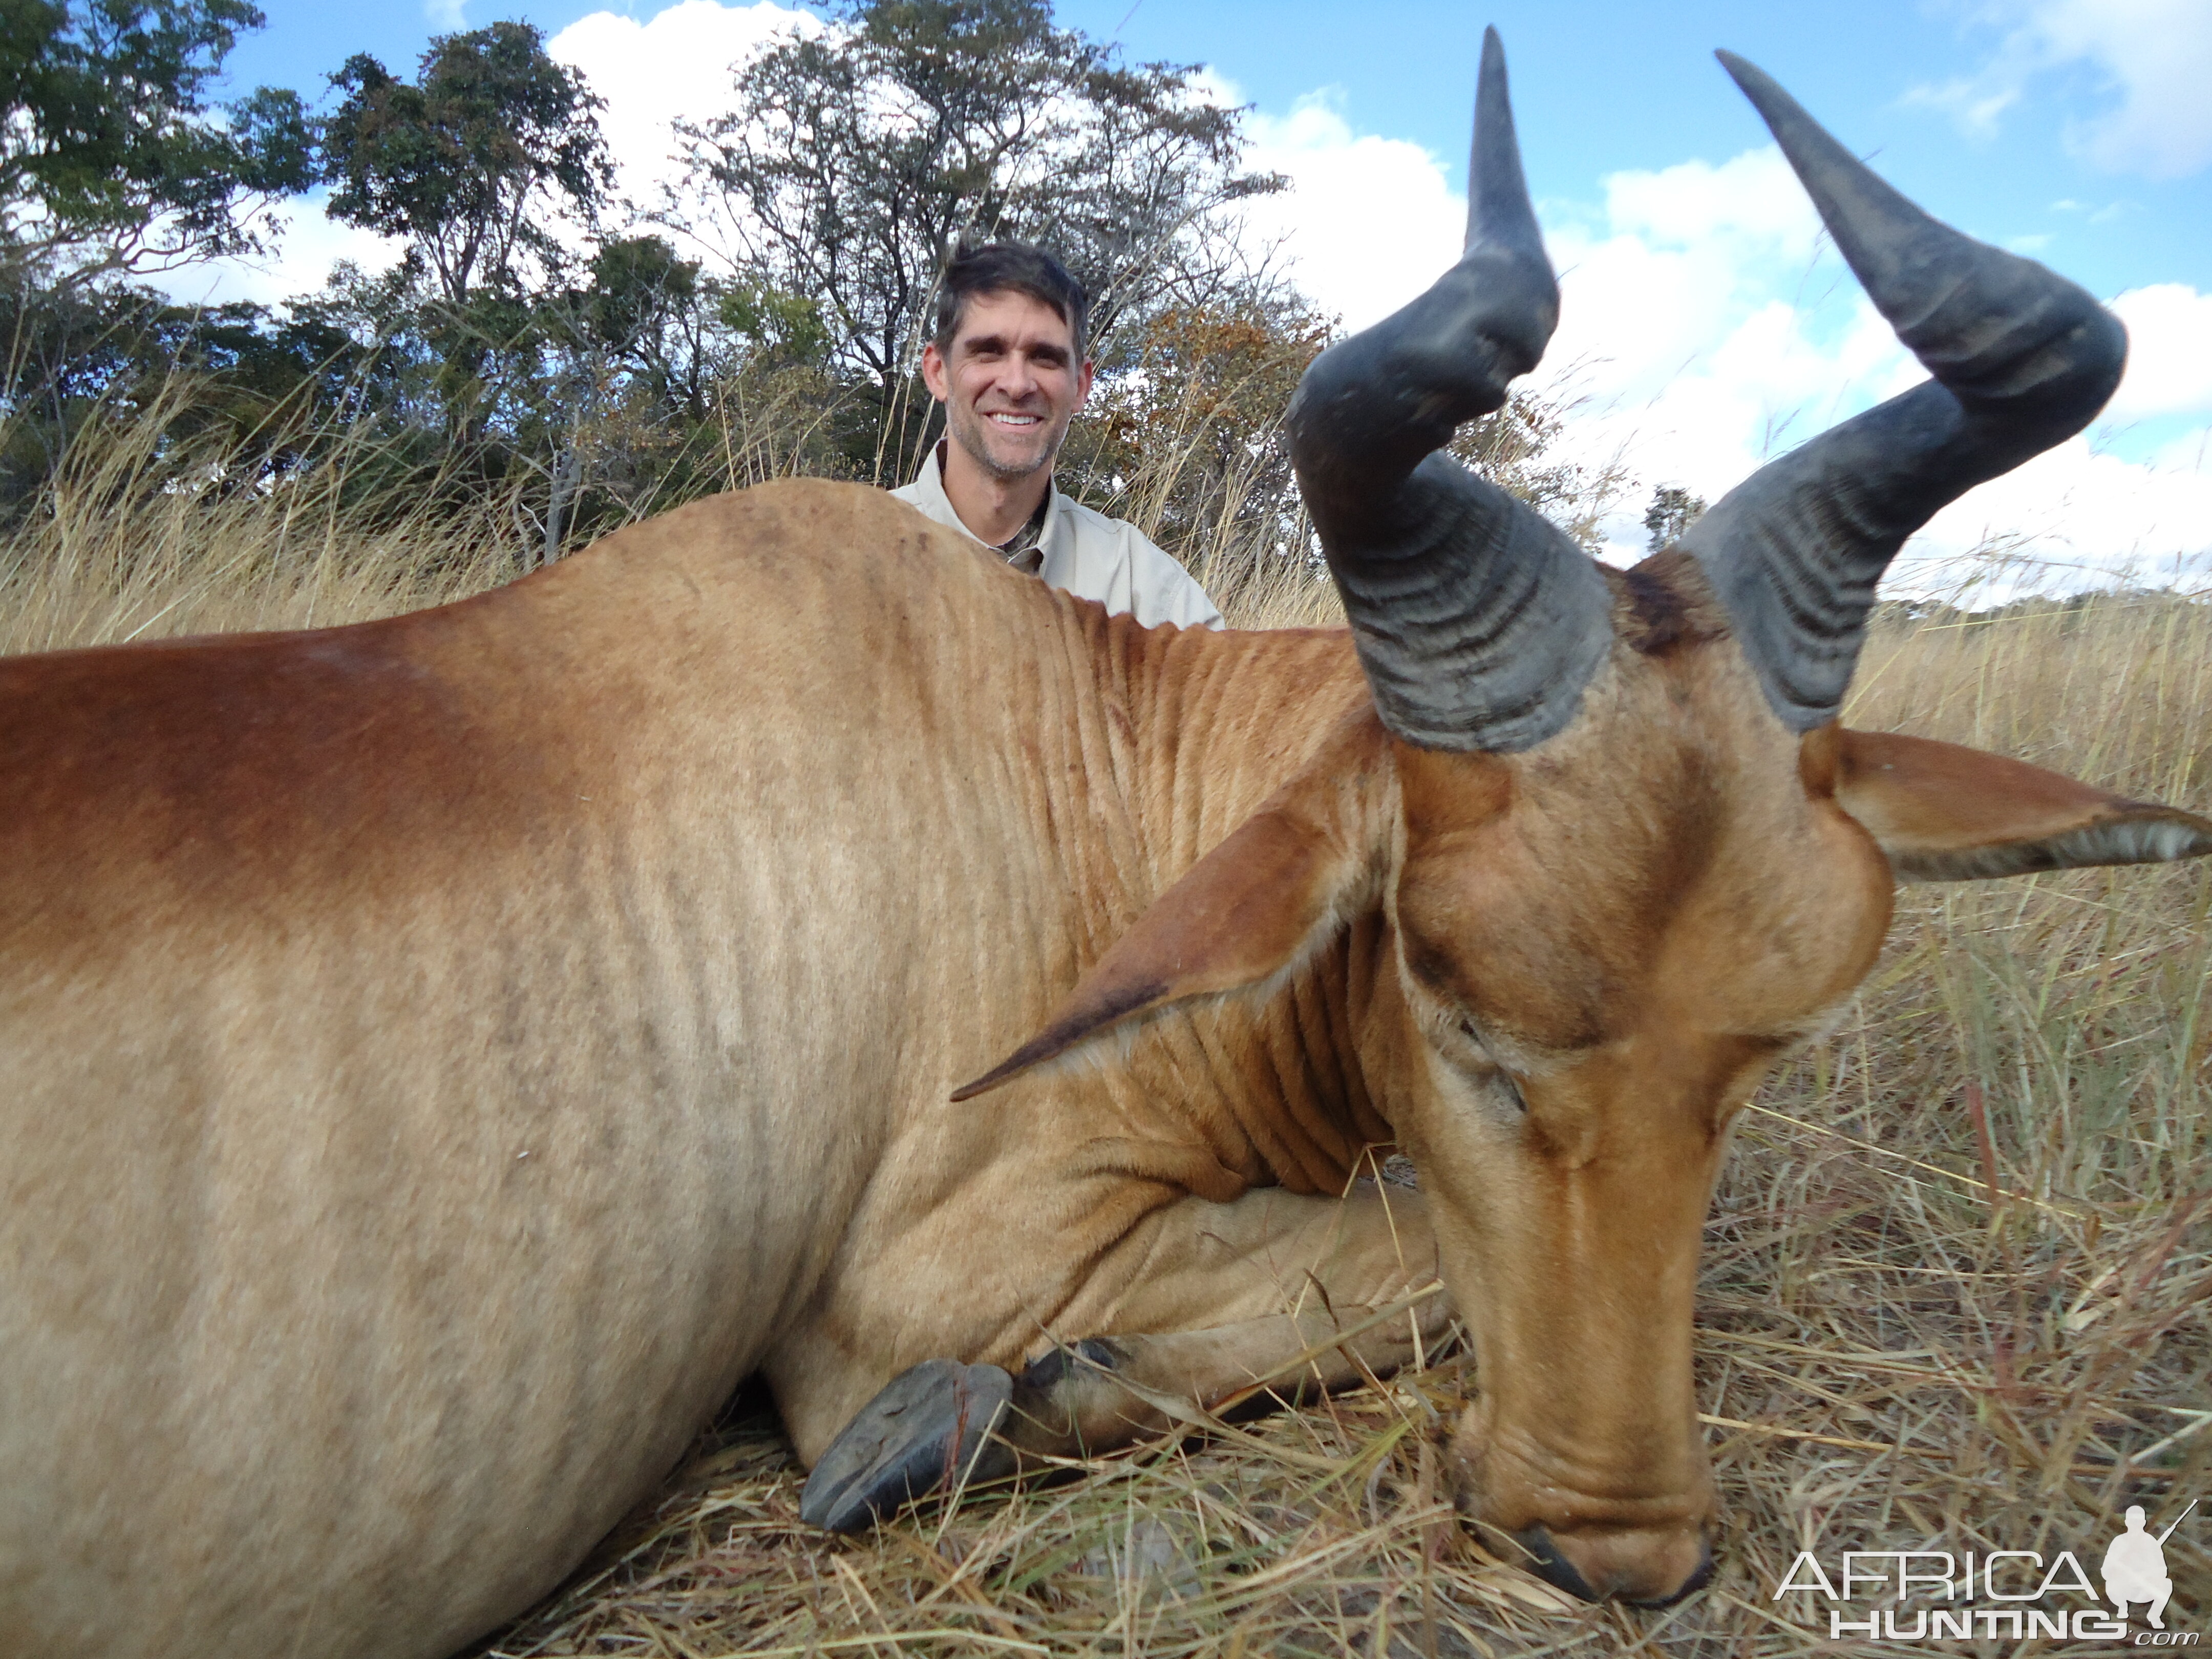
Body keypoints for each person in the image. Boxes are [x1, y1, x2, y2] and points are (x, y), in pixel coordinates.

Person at [893, 242, 1223, 631]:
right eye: (988, 352)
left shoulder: (1144, 587)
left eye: (1045, 357)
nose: (1017, 385)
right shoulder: (854, 551)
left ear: (1081, 386)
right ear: (938, 372)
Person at [2102, 1506, 2173, 1629]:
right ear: (2126, 1522)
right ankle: (2122, 1609)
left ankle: (2154, 1616)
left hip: (2145, 1587)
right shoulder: (2119, 1541)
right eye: (2132, 1521)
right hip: (2123, 1587)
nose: (2136, 1524)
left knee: (2167, 1584)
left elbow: (2162, 1569)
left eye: (2139, 1521)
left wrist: (2149, 1573)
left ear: (2144, 1523)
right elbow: (2106, 1570)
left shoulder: (2151, 1542)